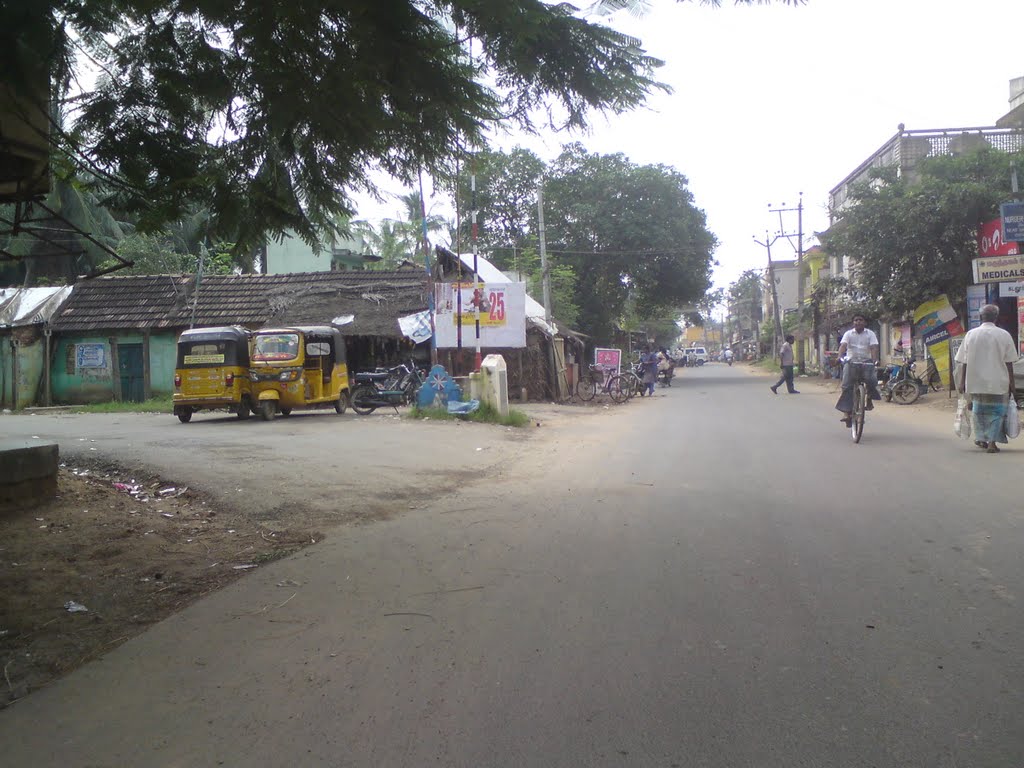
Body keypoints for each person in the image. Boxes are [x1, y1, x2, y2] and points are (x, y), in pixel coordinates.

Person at [955, 303, 1018, 453]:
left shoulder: (971, 334)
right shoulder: (1004, 335)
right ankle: (992, 442)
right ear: (996, 317)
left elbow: (964, 361)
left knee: (979, 412)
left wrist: (962, 382)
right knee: (997, 412)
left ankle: (981, 438)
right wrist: (1012, 385)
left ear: (980, 317)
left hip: (976, 381)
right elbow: (1009, 363)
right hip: (998, 382)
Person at [835, 313, 881, 426]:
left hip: (866, 362)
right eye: (856, 320)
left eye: (860, 320)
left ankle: (869, 398)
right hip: (851, 362)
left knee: (872, 381)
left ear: (865, 322)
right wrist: (839, 357)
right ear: (853, 323)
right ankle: (846, 413)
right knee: (846, 385)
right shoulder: (848, 334)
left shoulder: (870, 334)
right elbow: (843, 346)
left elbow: (874, 348)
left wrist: (874, 361)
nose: (858, 322)